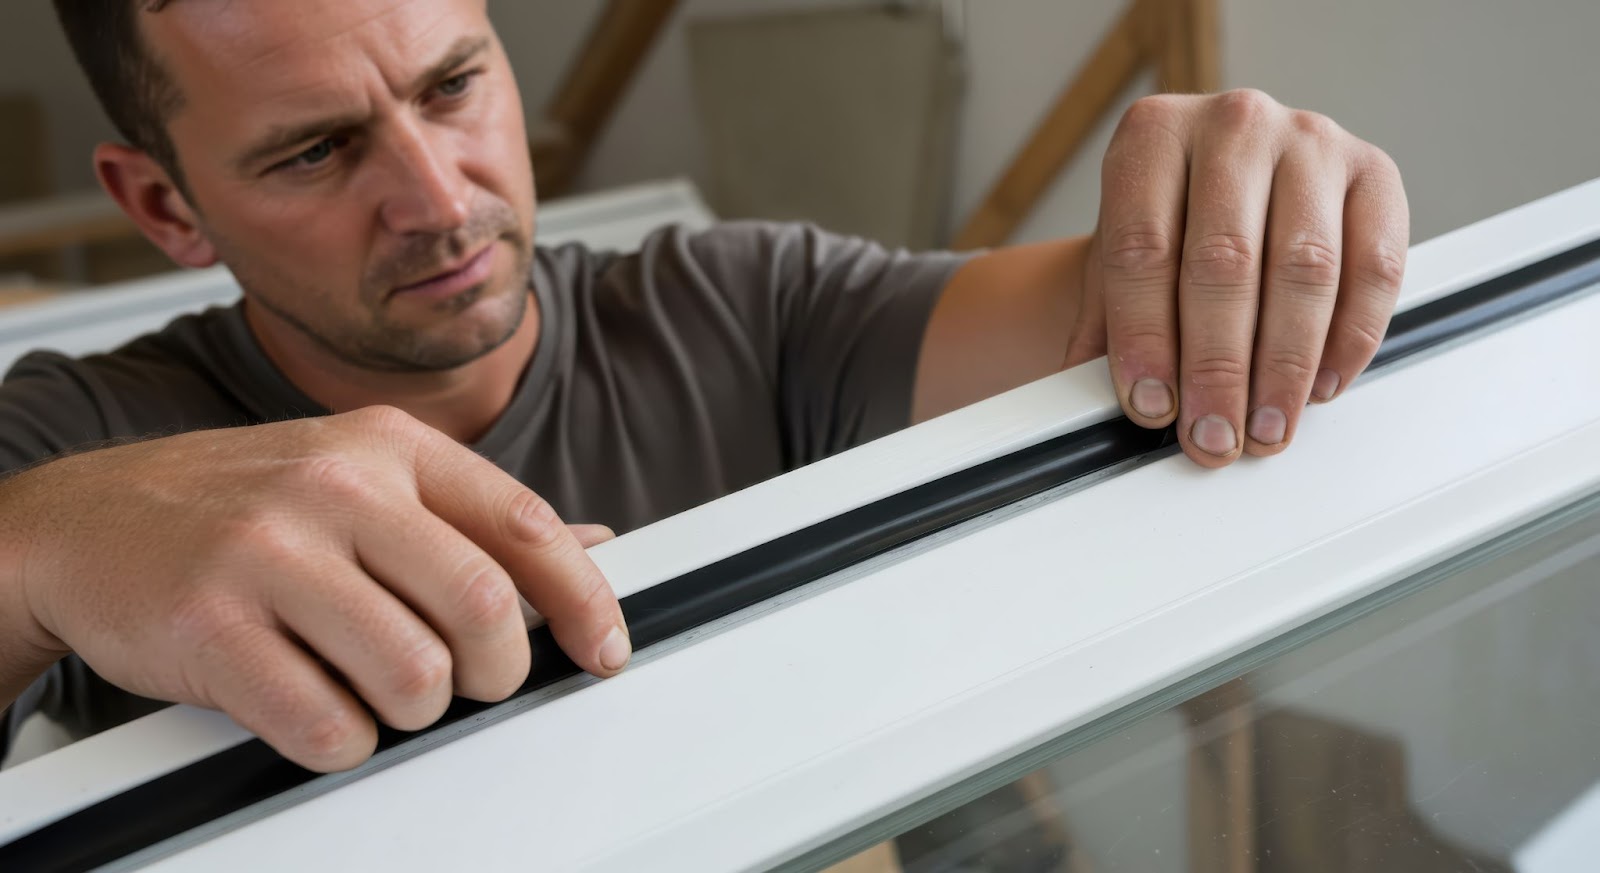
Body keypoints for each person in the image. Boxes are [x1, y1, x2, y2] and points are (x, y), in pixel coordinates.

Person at [0, 0, 1408, 773]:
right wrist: (42, 551)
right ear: (165, 207)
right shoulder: (77, 439)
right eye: (313, 153)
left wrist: (1234, 189)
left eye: (452, 86)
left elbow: (1110, 314)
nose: (437, 199)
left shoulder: (742, 306)